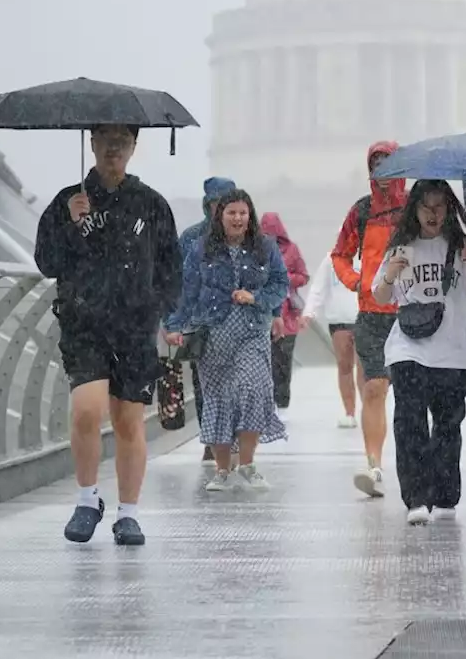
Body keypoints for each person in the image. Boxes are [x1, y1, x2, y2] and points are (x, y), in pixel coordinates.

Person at [34, 124, 181, 546]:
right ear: (92, 144)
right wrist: (70, 222)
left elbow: (171, 264)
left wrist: (166, 314)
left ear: (134, 147)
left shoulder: (151, 204)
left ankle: (129, 513)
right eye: (106, 140)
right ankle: (86, 499)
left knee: (128, 420)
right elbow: (47, 261)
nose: (114, 148)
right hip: (84, 323)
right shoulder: (68, 201)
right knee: (87, 409)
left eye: (122, 141)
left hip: (135, 327)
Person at [371, 179, 466, 525]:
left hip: (452, 351)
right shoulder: (401, 247)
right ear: (415, 209)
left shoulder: (461, 246)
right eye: (426, 205)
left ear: (449, 209)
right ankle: (416, 498)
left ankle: (445, 494)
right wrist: (391, 274)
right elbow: (381, 297)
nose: (433, 213)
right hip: (407, 348)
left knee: (448, 426)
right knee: (410, 424)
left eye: (440, 206)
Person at [166, 190, 289, 490]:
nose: (237, 218)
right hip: (214, 332)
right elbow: (186, 290)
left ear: (251, 216)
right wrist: (174, 324)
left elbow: (280, 283)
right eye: (231, 212)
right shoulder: (201, 250)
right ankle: (222, 470)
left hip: (252, 332)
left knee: (253, 388)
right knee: (219, 397)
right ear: (219, 217)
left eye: (243, 213)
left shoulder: (266, 248)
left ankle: (247, 463)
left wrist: (257, 297)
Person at [332, 141, 407, 498]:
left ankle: (414, 467)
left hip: (412, 314)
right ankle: (373, 463)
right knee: (374, 388)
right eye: (376, 164)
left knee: (409, 397)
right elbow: (340, 255)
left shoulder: (417, 210)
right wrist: (356, 282)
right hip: (372, 315)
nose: (381, 171)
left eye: (388, 163)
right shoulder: (361, 212)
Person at [172, 177, 237, 464]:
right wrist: (173, 322)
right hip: (201, 325)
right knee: (204, 385)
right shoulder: (190, 238)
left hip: (238, 323)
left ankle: (230, 438)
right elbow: (176, 282)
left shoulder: (246, 236)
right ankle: (211, 439)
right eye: (214, 204)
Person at [302, 252, 366, 427]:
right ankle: (349, 412)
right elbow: (318, 288)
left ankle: (369, 411)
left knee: (364, 367)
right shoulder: (331, 260)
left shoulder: (368, 255)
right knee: (344, 366)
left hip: (365, 317)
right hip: (339, 320)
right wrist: (309, 312)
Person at [260, 212, 309, 409]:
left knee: (283, 362)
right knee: (265, 363)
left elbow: (304, 276)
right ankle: (267, 403)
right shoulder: (256, 252)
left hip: (288, 316)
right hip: (263, 315)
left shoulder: (291, 250)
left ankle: (281, 401)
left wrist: (285, 278)